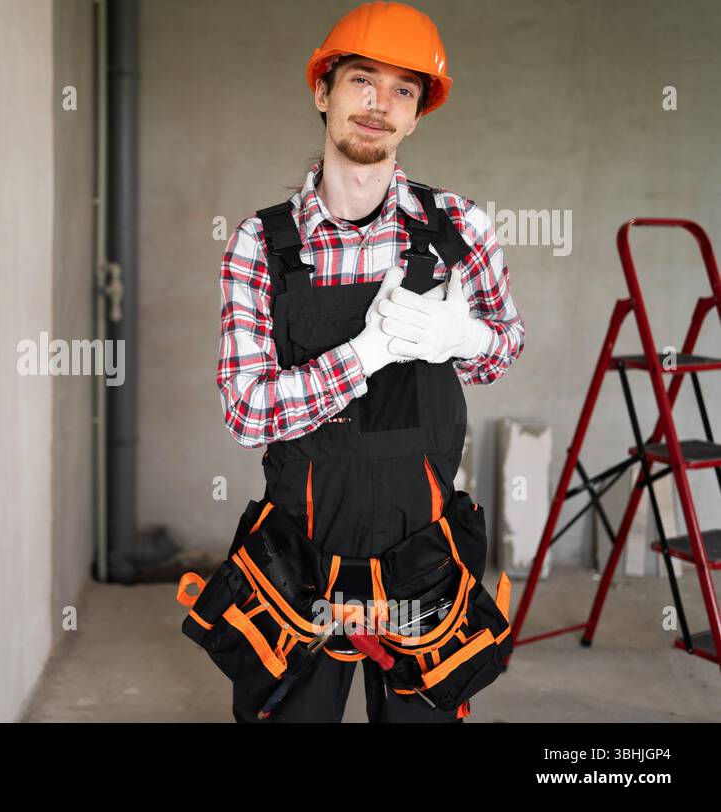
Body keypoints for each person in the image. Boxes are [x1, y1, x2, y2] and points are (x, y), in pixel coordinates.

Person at [215, 1, 525, 722]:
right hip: (296, 560)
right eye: (361, 79)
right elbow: (245, 411)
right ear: (322, 93)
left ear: (418, 115)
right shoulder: (260, 245)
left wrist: (467, 339)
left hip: (425, 555)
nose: (379, 104)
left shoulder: (460, 229)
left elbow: (501, 351)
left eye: (403, 90)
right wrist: (366, 353)